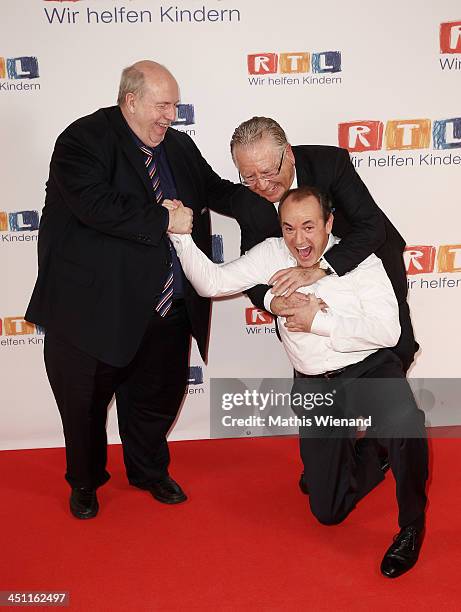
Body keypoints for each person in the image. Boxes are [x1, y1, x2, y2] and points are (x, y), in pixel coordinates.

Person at [25, 60, 254, 519]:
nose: (170, 116)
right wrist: (164, 218)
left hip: (166, 308)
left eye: (174, 105)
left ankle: (148, 470)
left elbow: (216, 191)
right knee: (84, 407)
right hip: (93, 311)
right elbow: (94, 205)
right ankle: (85, 482)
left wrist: (274, 199)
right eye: (161, 105)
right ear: (130, 101)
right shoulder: (82, 140)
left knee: (156, 398)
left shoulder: (179, 146)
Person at [169, 186, 428, 578]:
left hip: (367, 370)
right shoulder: (272, 253)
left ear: (329, 223)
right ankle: (376, 452)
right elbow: (212, 283)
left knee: (404, 423)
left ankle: (411, 526)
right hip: (315, 385)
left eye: (309, 227)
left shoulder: (360, 261)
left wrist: (317, 321)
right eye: (289, 228)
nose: (299, 240)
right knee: (328, 512)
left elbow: (389, 332)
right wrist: (180, 237)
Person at [228, 116, 417, 372]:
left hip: (367, 274)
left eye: (268, 172)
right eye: (248, 176)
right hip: (311, 305)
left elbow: (372, 227)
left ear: (289, 154)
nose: (261, 184)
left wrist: (319, 268)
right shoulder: (248, 199)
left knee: (396, 353)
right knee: (317, 367)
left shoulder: (329, 165)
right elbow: (250, 271)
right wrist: (273, 301)